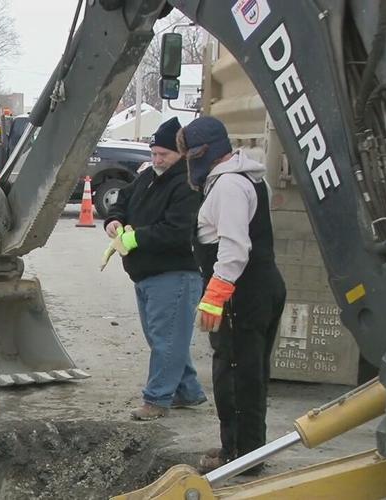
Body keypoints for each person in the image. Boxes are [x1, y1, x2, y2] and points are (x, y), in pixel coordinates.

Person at [176, 116, 287, 473]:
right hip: (258, 287)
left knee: (235, 374)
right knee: (249, 373)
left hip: (242, 293)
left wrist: (215, 295)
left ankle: (241, 457)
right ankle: (243, 446)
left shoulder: (228, 186)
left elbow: (235, 248)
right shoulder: (248, 177)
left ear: (201, 153)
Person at [103, 117, 207, 421]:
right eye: (154, 153)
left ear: (182, 154)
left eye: (164, 155)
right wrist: (115, 219)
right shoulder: (149, 176)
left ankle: (157, 398)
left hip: (174, 274)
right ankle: (187, 391)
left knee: (167, 340)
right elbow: (122, 197)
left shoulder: (187, 184)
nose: (157, 160)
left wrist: (136, 238)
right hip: (147, 274)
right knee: (164, 338)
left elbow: (177, 231)